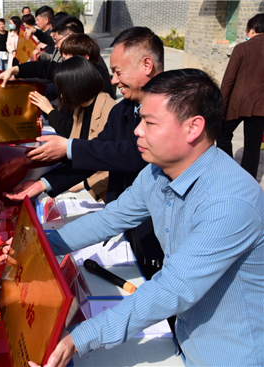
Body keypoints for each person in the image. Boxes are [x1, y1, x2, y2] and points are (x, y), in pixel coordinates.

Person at [27, 69, 264, 367]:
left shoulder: (229, 203)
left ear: (193, 128)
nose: (137, 130)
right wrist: (39, 246)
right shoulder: (157, 172)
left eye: (149, 122)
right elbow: (110, 219)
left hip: (229, 354)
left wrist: (81, 337)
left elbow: (172, 288)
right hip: (186, 335)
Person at [2, 27, 166, 280]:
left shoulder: (172, 109)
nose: (113, 81)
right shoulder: (122, 110)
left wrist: (68, 147)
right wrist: (43, 184)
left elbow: (134, 154)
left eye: (118, 72)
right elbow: (97, 153)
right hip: (122, 212)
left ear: (146, 65)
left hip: (156, 224)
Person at [26, 56, 115, 201]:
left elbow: (110, 159)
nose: (61, 95)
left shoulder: (110, 111)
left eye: (62, 89)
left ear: (75, 87)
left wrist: (84, 184)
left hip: (107, 192)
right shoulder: (80, 109)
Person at [216, 13, 264, 179]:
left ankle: (227, 172)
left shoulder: (242, 48)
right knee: (253, 146)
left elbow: (228, 80)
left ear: (252, 30)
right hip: (260, 108)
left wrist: (221, 105)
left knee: (223, 136)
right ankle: (248, 180)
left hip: (237, 104)